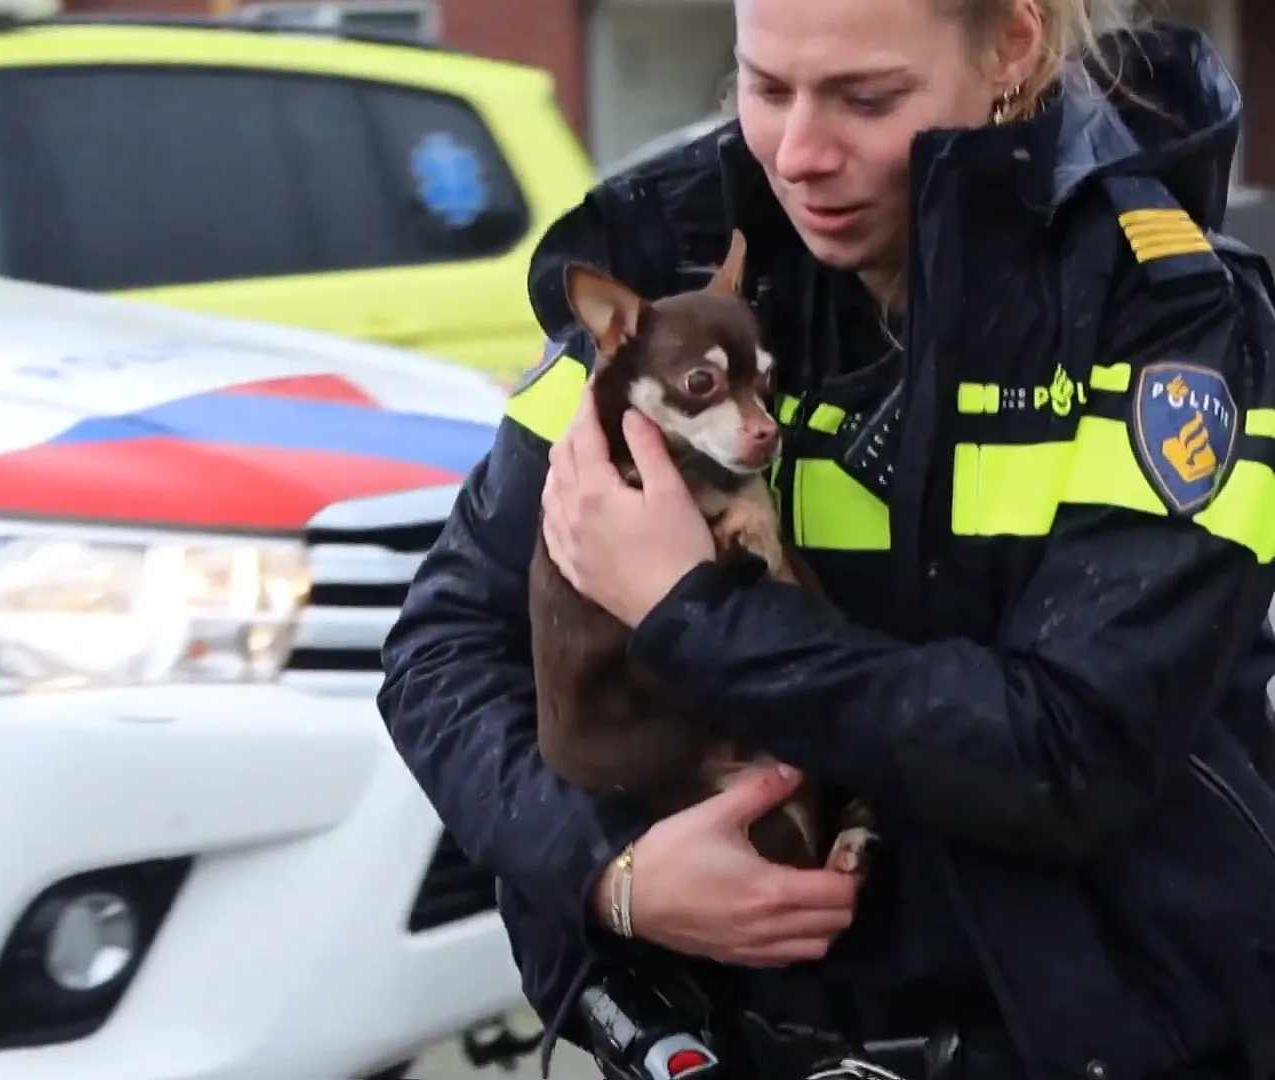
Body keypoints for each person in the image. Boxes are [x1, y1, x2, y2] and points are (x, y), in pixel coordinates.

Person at [378, 0, 1275, 1076]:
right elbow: (439, 649)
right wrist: (611, 872)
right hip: (719, 1043)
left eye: (865, 98)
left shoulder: (1166, 313)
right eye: (764, 86)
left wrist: (689, 609)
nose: (800, 154)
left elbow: (1069, 750)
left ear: (1011, 46)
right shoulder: (675, 272)